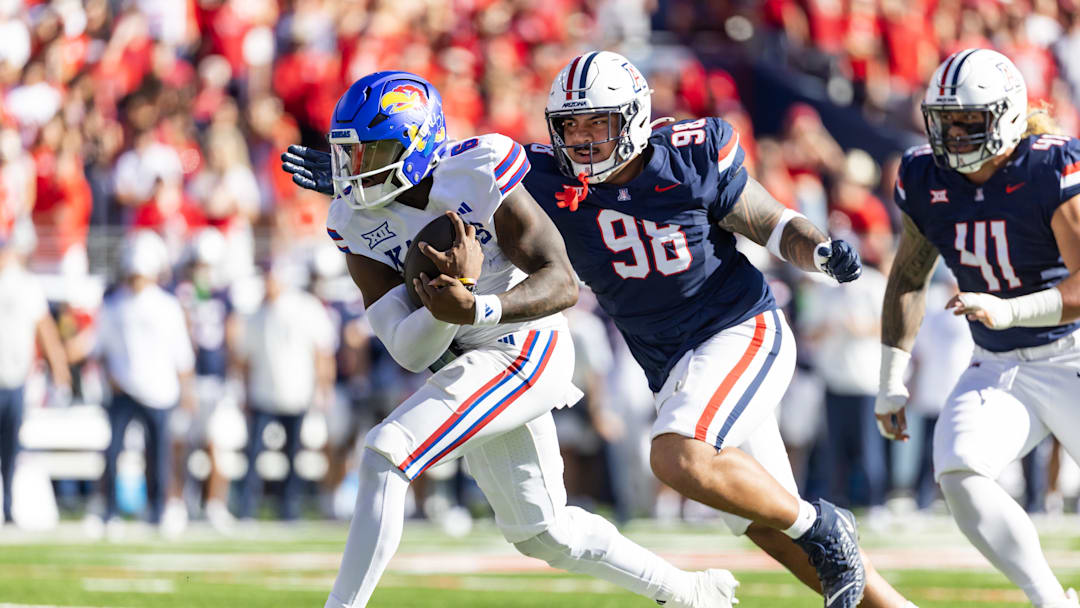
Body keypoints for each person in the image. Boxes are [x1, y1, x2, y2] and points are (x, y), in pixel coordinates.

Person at [283, 54, 914, 608]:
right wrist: (368, 171)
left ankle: (825, 524)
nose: (582, 140)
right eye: (570, 126)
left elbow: (768, 222)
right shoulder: (537, 175)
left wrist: (820, 249)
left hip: (731, 329)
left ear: (634, 119)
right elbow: (443, 182)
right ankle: (835, 590)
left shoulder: (685, 155)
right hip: (663, 361)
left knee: (680, 457)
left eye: (599, 124)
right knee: (739, 518)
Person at [283, 70, 738, 608]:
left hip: (527, 344)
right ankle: (691, 593)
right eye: (348, 155)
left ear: (416, 143)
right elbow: (410, 350)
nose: (352, 171)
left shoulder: (477, 169)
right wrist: (454, 304)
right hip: (464, 357)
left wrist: (476, 305)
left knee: (389, 451)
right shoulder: (350, 220)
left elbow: (561, 281)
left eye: (369, 152)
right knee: (543, 532)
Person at [876, 48, 1080, 608]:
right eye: (945, 121)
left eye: (970, 120)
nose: (956, 134)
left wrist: (1009, 308)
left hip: (1072, 353)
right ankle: (1051, 601)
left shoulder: (1048, 166)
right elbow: (909, 276)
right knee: (959, 467)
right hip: (1000, 364)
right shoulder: (922, 175)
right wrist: (892, 375)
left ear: (1008, 115)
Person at [96, 230, 196, 532]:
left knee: (159, 455)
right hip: (124, 389)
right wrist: (109, 377)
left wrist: (186, 389)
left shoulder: (167, 306)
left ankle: (158, 509)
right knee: (113, 451)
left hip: (160, 390)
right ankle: (109, 510)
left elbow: (181, 352)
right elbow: (102, 348)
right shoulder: (114, 305)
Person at [235, 261, 335, 521]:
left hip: (297, 392)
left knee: (293, 455)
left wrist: (323, 387)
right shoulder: (257, 313)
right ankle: (248, 508)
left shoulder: (305, 307)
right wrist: (244, 393)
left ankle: (289, 509)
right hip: (263, 393)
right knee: (254, 453)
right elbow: (247, 357)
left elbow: (321, 350)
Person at [0, 217, 70, 525]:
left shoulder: (26, 284)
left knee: (10, 447)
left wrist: (59, 367)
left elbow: (45, 327)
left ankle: (8, 506)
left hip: (15, 378)